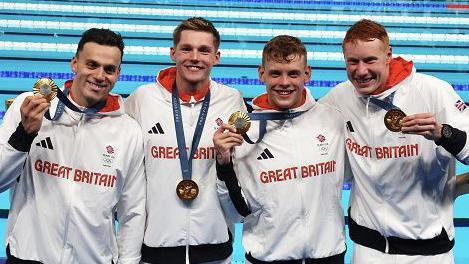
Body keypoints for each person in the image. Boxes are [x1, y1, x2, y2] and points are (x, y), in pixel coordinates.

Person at [320, 19, 469, 263]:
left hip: (430, 251)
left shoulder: (432, 91)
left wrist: (444, 133)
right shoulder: (341, 96)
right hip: (369, 249)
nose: (360, 71)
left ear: (388, 55)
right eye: (352, 61)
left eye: (369, 60)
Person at [0, 28, 146, 263]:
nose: (100, 75)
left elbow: (133, 211)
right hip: (29, 256)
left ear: (118, 73)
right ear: (74, 64)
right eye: (91, 64)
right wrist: (23, 136)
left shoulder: (128, 131)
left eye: (109, 69)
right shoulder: (28, 108)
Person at [213, 35, 347, 263]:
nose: (284, 82)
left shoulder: (332, 120)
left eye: (293, 73)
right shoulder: (244, 132)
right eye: (275, 73)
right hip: (269, 257)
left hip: (329, 255)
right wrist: (223, 163)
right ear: (261, 73)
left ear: (307, 74)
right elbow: (236, 211)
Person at [124, 17, 246, 264]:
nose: (195, 57)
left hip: (214, 248)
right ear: (173, 53)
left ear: (216, 57)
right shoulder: (143, 99)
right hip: (157, 248)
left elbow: (241, 174)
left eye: (204, 50)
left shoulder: (232, 100)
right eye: (186, 48)